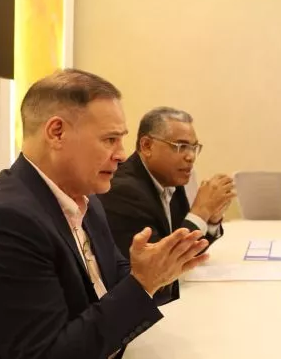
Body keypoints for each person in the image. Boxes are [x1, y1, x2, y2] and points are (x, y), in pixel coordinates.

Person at [0, 69, 209, 359]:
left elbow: (115, 282)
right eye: (110, 139)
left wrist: (159, 270)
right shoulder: (4, 222)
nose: (121, 155)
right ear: (57, 132)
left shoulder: (86, 199)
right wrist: (143, 284)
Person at [98, 106, 235, 302]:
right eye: (180, 146)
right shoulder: (123, 190)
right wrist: (200, 212)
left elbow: (187, 254)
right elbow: (160, 271)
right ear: (147, 146)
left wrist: (212, 219)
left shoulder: (171, 179)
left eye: (194, 147)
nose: (190, 156)